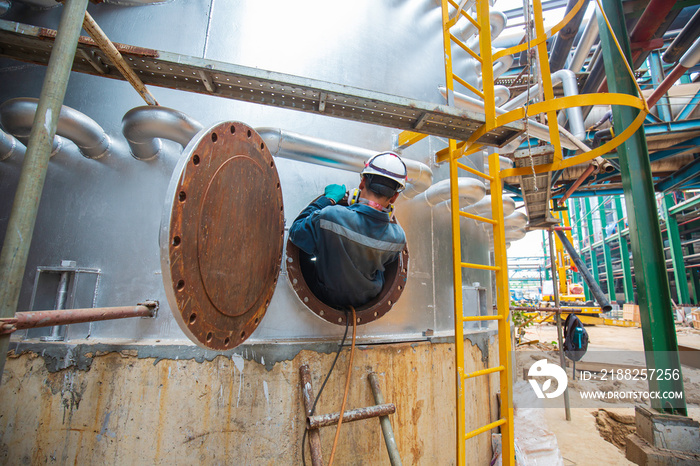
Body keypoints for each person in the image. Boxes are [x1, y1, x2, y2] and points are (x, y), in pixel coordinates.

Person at [289, 152, 408, 309]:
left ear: (363, 182)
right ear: (394, 198)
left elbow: (296, 232)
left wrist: (327, 200)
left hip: (325, 294)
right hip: (368, 298)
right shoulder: (398, 238)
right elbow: (387, 261)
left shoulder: (330, 216)